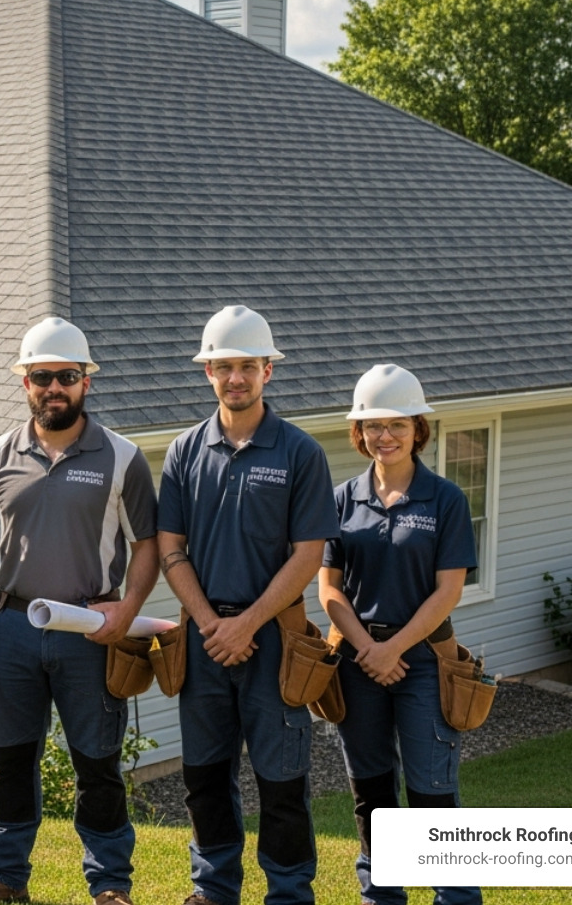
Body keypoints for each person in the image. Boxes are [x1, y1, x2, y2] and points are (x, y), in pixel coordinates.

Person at [0, 317, 159, 905]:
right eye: (42, 377)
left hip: (89, 631)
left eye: (66, 376)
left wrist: (127, 609)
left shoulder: (122, 458)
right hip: (11, 627)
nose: (54, 387)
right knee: (9, 760)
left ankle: (109, 884)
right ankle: (3, 877)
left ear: (86, 381)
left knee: (97, 763)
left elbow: (148, 545)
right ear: (26, 383)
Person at [155, 305, 338, 905]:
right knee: (205, 777)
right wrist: (214, 625)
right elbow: (170, 549)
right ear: (208, 371)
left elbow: (309, 555)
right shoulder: (184, 452)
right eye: (225, 366)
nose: (236, 377)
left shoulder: (299, 453)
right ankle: (213, 890)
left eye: (248, 367)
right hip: (204, 641)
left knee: (282, 781)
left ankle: (288, 893)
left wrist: (248, 624)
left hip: (275, 642)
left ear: (268, 371)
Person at [320, 364, 481, 905]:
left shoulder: (445, 499)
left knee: (432, 791)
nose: (384, 435)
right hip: (358, 664)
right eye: (373, 425)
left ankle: (456, 897)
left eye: (397, 424)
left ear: (418, 429)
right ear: (359, 431)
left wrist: (393, 649)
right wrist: (370, 649)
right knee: (371, 793)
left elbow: (447, 592)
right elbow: (329, 589)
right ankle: (382, 896)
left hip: (425, 664)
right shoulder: (341, 500)